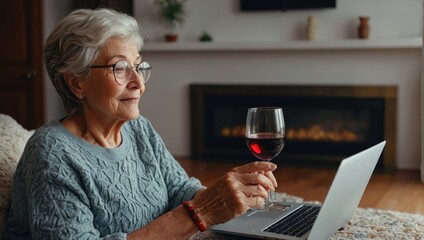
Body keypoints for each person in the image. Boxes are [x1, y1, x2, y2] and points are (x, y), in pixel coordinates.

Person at [4, 8, 278, 239]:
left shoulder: (138, 129)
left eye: (139, 66)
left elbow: (176, 188)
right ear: (76, 82)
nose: (138, 83)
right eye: (120, 68)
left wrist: (226, 199)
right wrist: (203, 210)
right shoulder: (52, 154)